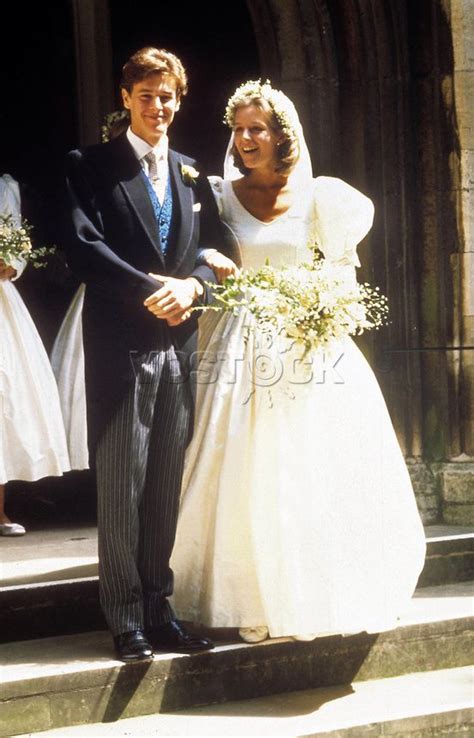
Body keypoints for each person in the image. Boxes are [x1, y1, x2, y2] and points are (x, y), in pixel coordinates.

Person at [170, 80, 427, 643]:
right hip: (238, 344)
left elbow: (339, 273)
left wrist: (317, 310)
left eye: (256, 128)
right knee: (242, 464)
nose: (244, 139)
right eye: (238, 130)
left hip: (306, 344)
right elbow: (202, 257)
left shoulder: (323, 198)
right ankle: (249, 593)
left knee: (306, 464)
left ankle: (312, 589)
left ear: (282, 133)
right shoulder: (218, 196)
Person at [60, 47, 231, 661]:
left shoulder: (190, 170)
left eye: (168, 97)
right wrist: (151, 289)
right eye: (147, 95)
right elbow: (84, 246)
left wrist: (195, 287)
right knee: (122, 482)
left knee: (163, 482)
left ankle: (161, 610)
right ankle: (125, 616)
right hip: (120, 343)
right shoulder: (90, 165)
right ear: (126, 98)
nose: (158, 106)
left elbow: (217, 246)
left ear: (180, 102)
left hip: (178, 344)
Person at [0, 173, 71, 536]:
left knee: (3, 400)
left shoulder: (5, 186)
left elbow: (15, 248)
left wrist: (10, 262)